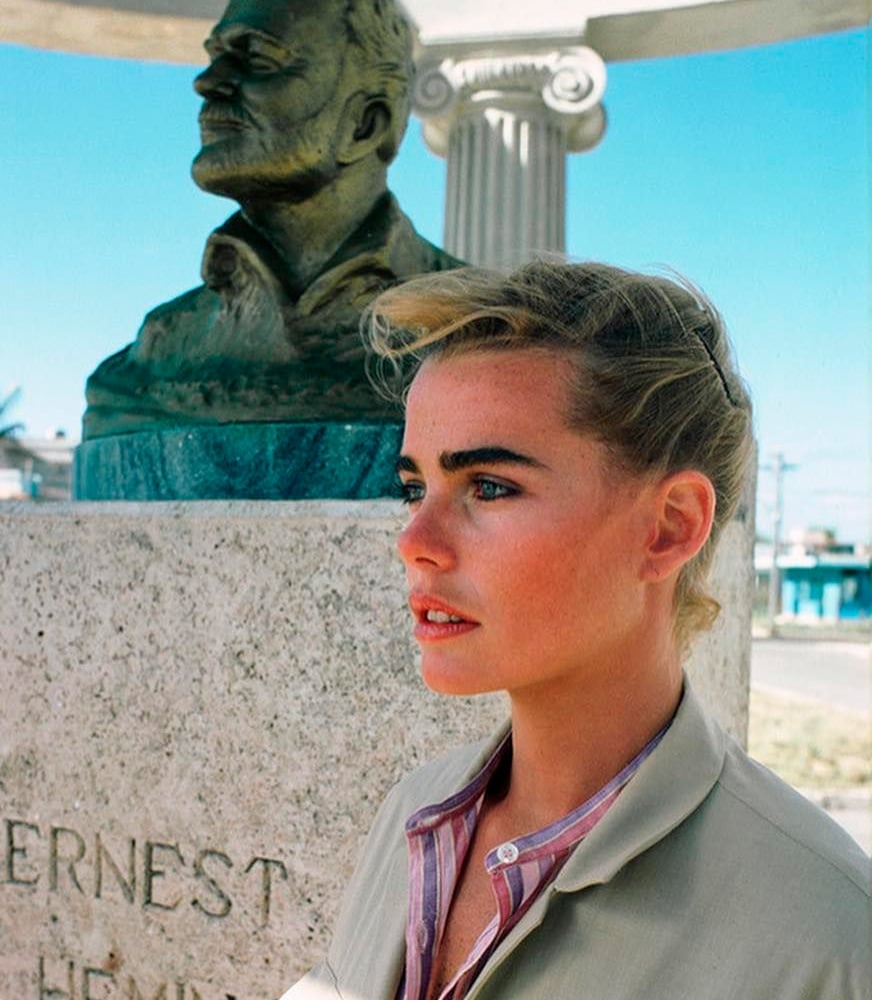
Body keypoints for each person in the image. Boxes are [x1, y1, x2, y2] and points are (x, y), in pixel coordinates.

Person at [280, 259, 871, 1000]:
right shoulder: (416, 813)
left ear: (669, 527)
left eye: (489, 486)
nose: (414, 541)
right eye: (414, 488)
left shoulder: (832, 935)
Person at [83, 0, 460, 439]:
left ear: (364, 124)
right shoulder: (156, 351)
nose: (207, 82)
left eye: (258, 58)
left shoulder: (475, 330)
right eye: (216, 56)